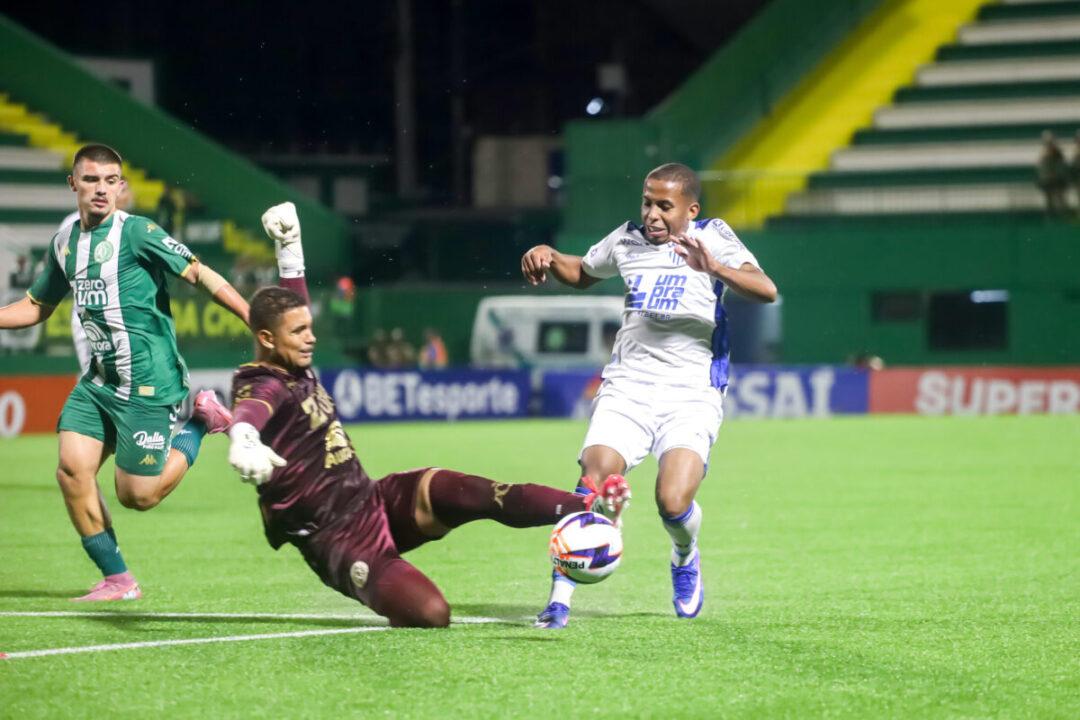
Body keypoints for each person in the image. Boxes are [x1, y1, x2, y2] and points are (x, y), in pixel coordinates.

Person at [221, 203, 631, 627]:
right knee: (433, 614)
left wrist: (290, 249)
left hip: (374, 499)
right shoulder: (259, 381)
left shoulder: (291, 359)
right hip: (337, 539)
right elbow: (251, 410)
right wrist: (244, 438)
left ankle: (589, 506)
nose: (312, 338)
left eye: (309, 327)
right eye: (299, 333)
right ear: (267, 339)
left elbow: (294, 305)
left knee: (484, 493)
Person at [520, 162, 778, 628]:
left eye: (665, 206)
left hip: (691, 393)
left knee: (673, 502)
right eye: (647, 202)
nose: (653, 214)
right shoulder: (626, 240)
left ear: (690, 209)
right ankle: (559, 600)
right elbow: (583, 271)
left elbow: (766, 289)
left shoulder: (712, 237)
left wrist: (713, 268)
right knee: (591, 481)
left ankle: (685, 555)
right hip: (628, 387)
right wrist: (548, 254)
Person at [0, 144, 246, 601]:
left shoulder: (138, 232)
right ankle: (118, 579)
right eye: (91, 179)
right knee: (72, 471)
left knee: (138, 496)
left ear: (121, 186)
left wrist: (251, 315)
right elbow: (36, 307)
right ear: (73, 184)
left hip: (148, 385)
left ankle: (199, 420)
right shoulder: (64, 242)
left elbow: (200, 273)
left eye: (111, 180)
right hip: (98, 384)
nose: (102, 189)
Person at [1036, 130, 1070, 217]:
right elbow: (1041, 168)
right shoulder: (1043, 153)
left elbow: (1061, 166)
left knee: (1060, 200)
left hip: (1057, 180)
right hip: (1048, 180)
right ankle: (1051, 217)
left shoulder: (1058, 153)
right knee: (1049, 201)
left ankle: (1063, 216)